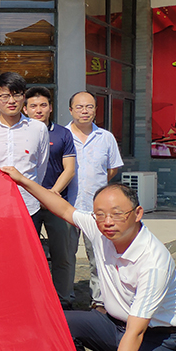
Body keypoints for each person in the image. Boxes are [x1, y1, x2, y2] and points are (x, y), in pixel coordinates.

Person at [1, 168, 176, 351]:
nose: (107, 222)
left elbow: (135, 333)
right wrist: (21, 179)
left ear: (137, 213)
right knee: (61, 323)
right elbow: (64, 209)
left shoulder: (153, 261)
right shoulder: (100, 229)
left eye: (117, 214)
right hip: (115, 326)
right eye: (100, 214)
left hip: (162, 340)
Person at [67, 91, 124, 310]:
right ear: (71, 110)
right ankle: (65, 297)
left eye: (89, 107)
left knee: (99, 256)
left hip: (97, 210)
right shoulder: (63, 135)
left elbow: (111, 169)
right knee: (65, 257)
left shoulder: (106, 137)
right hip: (67, 207)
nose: (85, 111)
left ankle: (99, 300)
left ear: (95, 110)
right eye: (79, 107)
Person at [24, 86, 77, 308]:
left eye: (43, 105)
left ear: (51, 108)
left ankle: (64, 300)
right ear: (25, 109)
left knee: (62, 255)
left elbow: (69, 169)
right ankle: (32, 300)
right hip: (27, 204)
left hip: (56, 203)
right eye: (33, 106)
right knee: (27, 257)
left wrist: (50, 194)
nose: (38, 110)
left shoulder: (63, 134)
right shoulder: (20, 133)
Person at [0, 72, 49, 217]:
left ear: (23, 97)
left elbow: (40, 167)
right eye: (5, 96)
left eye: (16, 95)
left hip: (29, 206)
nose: (11, 101)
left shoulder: (38, 128)